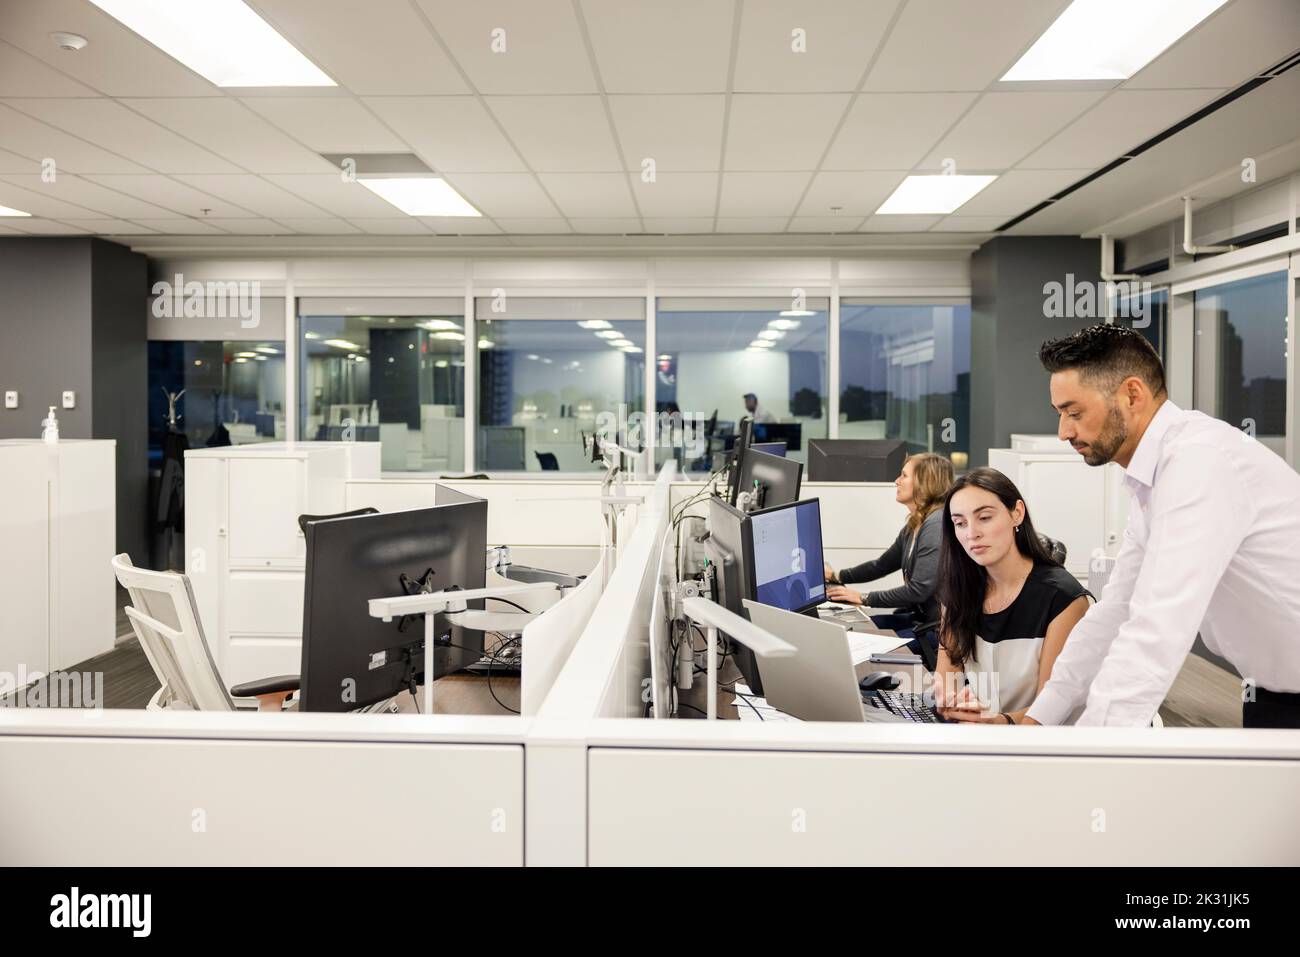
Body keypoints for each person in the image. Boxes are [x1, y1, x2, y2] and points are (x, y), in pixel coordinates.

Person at [1025, 323, 1300, 728]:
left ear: (1132, 395)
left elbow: (1157, 627)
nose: (1064, 431)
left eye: (1075, 412)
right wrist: (1038, 721)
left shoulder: (1199, 464)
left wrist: (1085, 758)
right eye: (1061, 414)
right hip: (1272, 693)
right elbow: (1115, 614)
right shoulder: (1155, 476)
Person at [932, 468, 1091, 724]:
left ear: (1016, 513)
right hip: (984, 735)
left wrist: (995, 723)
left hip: (1043, 744)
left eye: (984, 518)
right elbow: (947, 675)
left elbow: (1051, 709)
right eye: (960, 523)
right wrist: (952, 703)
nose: (972, 533)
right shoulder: (959, 589)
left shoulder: (1063, 598)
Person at [824, 453, 954, 653]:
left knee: (859, 649)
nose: (897, 481)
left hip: (936, 632)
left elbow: (918, 591)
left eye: (904, 476)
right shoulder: (915, 524)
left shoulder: (936, 525)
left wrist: (864, 598)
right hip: (918, 619)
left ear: (925, 482)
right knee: (847, 632)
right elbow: (881, 565)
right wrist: (836, 575)